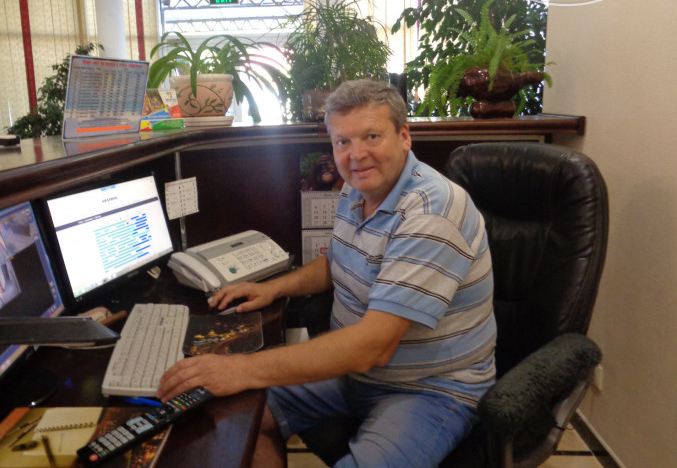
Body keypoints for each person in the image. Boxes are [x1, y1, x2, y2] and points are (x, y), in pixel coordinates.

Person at [158, 79, 497, 467]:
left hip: (429, 388)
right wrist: (273, 288)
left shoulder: (431, 212)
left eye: (371, 136)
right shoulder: (356, 189)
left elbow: (373, 346)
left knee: (239, 383)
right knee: (236, 414)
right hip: (352, 372)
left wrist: (238, 369)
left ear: (404, 136)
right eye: (342, 142)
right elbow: (337, 262)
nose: (356, 155)